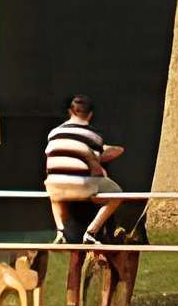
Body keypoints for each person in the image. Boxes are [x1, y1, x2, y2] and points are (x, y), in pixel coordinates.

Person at [44, 95, 126, 242]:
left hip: (54, 186)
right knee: (117, 194)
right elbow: (96, 160)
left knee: (55, 192)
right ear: (90, 114)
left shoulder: (53, 133)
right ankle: (91, 232)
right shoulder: (93, 135)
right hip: (81, 185)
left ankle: (60, 231)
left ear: (71, 111)